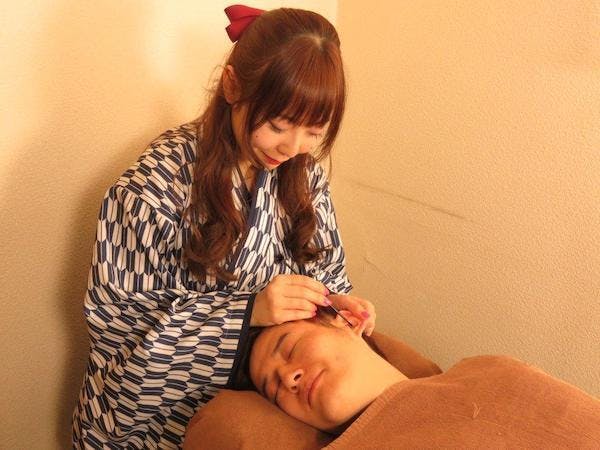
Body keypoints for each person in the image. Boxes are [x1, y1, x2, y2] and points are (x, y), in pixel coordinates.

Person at [71, 4, 376, 449]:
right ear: (232, 86)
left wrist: (334, 304)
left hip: (249, 414)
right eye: (278, 125)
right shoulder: (152, 186)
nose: (292, 147)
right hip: (150, 428)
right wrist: (248, 312)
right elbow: (121, 340)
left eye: (313, 131)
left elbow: (325, 272)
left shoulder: (304, 176)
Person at [221, 309, 600, 448]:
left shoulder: (493, 373)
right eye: (274, 389)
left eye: (291, 348)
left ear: (347, 320)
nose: (288, 377)